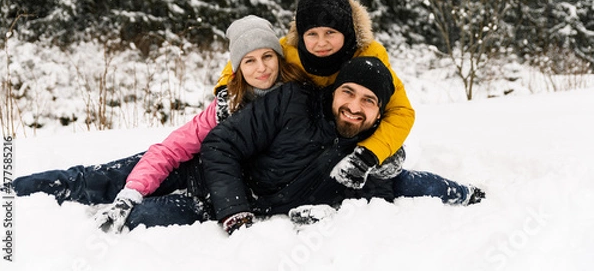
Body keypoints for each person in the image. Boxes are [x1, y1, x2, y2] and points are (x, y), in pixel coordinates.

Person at [10, 15, 309, 232]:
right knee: (97, 179)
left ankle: (92, 222)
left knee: (141, 217)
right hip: (186, 169)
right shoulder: (226, 105)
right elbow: (172, 148)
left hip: (212, 197)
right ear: (238, 67)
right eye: (250, 60)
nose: (261, 68)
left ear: (279, 58)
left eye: (267, 56)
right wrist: (132, 191)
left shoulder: (295, 102)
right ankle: (16, 189)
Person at [200, 57, 485, 235]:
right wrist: (235, 210)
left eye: (368, 100)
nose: (353, 106)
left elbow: (405, 184)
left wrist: (465, 193)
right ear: (334, 91)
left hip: (209, 210)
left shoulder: (363, 159)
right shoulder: (292, 102)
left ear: (380, 113)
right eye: (348, 92)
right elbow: (221, 145)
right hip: (201, 185)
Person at [215, 0, 415, 189]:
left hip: (350, 130)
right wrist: (226, 90)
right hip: (304, 136)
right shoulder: (290, 51)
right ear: (302, 34)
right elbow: (246, 56)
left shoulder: (368, 54)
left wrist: (371, 152)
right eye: (312, 34)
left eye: (330, 33)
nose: (321, 43)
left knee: (390, 162)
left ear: (346, 31)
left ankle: (377, 175)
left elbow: (400, 110)